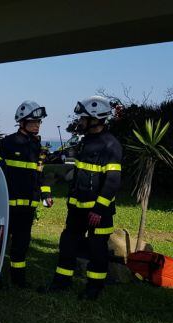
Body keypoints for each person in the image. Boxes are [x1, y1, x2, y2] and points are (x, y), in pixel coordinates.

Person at [43, 96, 122, 300]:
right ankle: (62, 282)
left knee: (97, 250)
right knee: (68, 244)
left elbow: (112, 181)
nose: (80, 121)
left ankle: (94, 288)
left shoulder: (110, 145)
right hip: (77, 207)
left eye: (84, 118)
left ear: (95, 119)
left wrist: (99, 209)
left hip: (98, 212)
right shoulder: (85, 141)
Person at [0, 100, 53, 288]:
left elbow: (40, 174)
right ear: (22, 122)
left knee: (22, 244)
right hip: (8, 205)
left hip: (28, 206)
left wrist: (45, 195)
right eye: (33, 122)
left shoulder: (37, 146)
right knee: (0, 244)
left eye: (39, 122)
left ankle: (19, 280)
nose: (37, 125)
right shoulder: (7, 143)